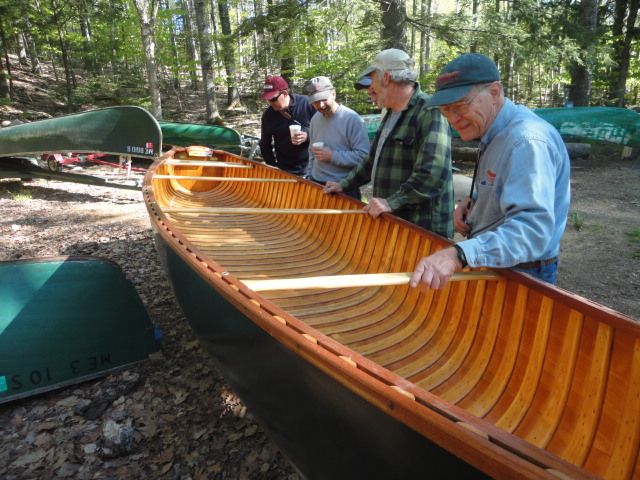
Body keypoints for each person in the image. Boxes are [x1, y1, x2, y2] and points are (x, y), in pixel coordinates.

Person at [410, 53, 570, 288]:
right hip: (500, 264)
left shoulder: (526, 141)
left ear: (494, 92)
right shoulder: (494, 131)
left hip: (524, 272)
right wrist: (473, 203)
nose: (453, 119)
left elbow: (533, 232)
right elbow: (502, 185)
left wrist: (459, 254)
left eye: (461, 105)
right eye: (446, 109)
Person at [324, 49, 454, 239]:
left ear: (385, 77)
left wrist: (391, 202)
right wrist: (344, 184)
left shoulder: (430, 111)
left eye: (372, 80)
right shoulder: (391, 112)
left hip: (423, 228)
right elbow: (372, 160)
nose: (369, 89)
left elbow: (431, 173)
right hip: (396, 221)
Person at [304, 76, 370, 200]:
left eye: (323, 99)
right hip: (316, 183)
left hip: (343, 187)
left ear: (333, 93)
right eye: (315, 102)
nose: (320, 105)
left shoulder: (351, 119)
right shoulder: (315, 119)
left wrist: (332, 156)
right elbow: (311, 152)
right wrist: (309, 176)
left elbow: (364, 157)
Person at [259, 75, 316, 176]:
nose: (270, 103)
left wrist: (307, 135)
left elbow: (324, 131)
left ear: (284, 93)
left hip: (312, 168)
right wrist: (273, 168)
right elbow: (265, 145)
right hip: (285, 170)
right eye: (267, 99)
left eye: (273, 99)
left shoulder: (307, 104)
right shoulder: (268, 116)